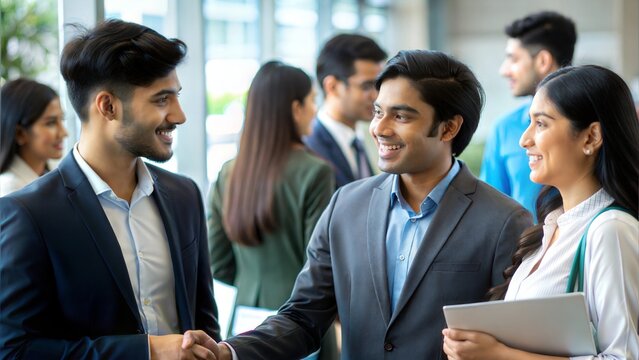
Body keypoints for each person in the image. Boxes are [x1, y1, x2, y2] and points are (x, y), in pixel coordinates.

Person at [195, 50, 532, 359]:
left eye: (400, 117)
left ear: (448, 128)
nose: (379, 129)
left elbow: (510, 341)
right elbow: (303, 318)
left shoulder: (505, 222)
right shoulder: (346, 205)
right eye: (377, 112)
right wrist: (228, 352)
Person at [0, 19, 220, 359]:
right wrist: (147, 352)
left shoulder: (185, 196)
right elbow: (14, 350)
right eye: (162, 100)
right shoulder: (30, 214)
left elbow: (205, 325)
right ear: (108, 106)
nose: (179, 115)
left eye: (176, 96)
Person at [443, 65, 639, 359]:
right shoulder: (553, 224)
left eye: (542, 124)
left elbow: (623, 356)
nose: (525, 139)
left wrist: (498, 354)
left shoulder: (610, 229)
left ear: (591, 137)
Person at [207, 61, 337, 359]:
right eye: (311, 101)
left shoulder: (229, 172)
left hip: (244, 325)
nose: (315, 111)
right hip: (300, 323)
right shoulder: (315, 172)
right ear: (294, 108)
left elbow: (218, 261)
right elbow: (320, 261)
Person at [480, 11, 577, 215]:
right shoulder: (504, 129)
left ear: (543, 61)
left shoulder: (601, 121)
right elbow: (491, 211)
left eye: (513, 59)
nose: (504, 70)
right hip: (525, 247)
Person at [304, 33, 387, 188]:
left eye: (378, 86)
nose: (376, 96)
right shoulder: (310, 147)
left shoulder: (371, 137)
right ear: (332, 86)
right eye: (367, 86)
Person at [0, 78, 68, 196]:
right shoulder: (10, 191)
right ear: (20, 134)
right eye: (50, 123)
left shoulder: (54, 173)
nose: (63, 133)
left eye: (61, 119)